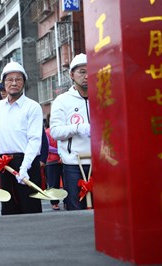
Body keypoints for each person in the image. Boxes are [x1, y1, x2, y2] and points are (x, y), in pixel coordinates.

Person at [0, 62, 44, 215]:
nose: (14, 83)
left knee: (30, 208)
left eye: (18, 79)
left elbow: (34, 140)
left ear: (24, 82)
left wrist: (25, 167)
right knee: (9, 209)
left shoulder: (32, 107)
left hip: (27, 163)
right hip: (5, 165)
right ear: (3, 83)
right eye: (9, 79)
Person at [49, 53, 91, 210]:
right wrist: (78, 128)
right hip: (74, 164)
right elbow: (55, 131)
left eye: (90, 71)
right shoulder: (62, 100)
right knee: (76, 209)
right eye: (82, 72)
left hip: (101, 164)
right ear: (72, 74)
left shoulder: (103, 95)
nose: (87, 76)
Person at [44, 114, 63, 210]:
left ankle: (68, 201)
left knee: (67, 183)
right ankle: (54, 202)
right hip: (52, 161)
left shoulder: (62, 130)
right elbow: (47, 147)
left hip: (64, 160)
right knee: (53, 183)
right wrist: (60, 151)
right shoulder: (47, 132)